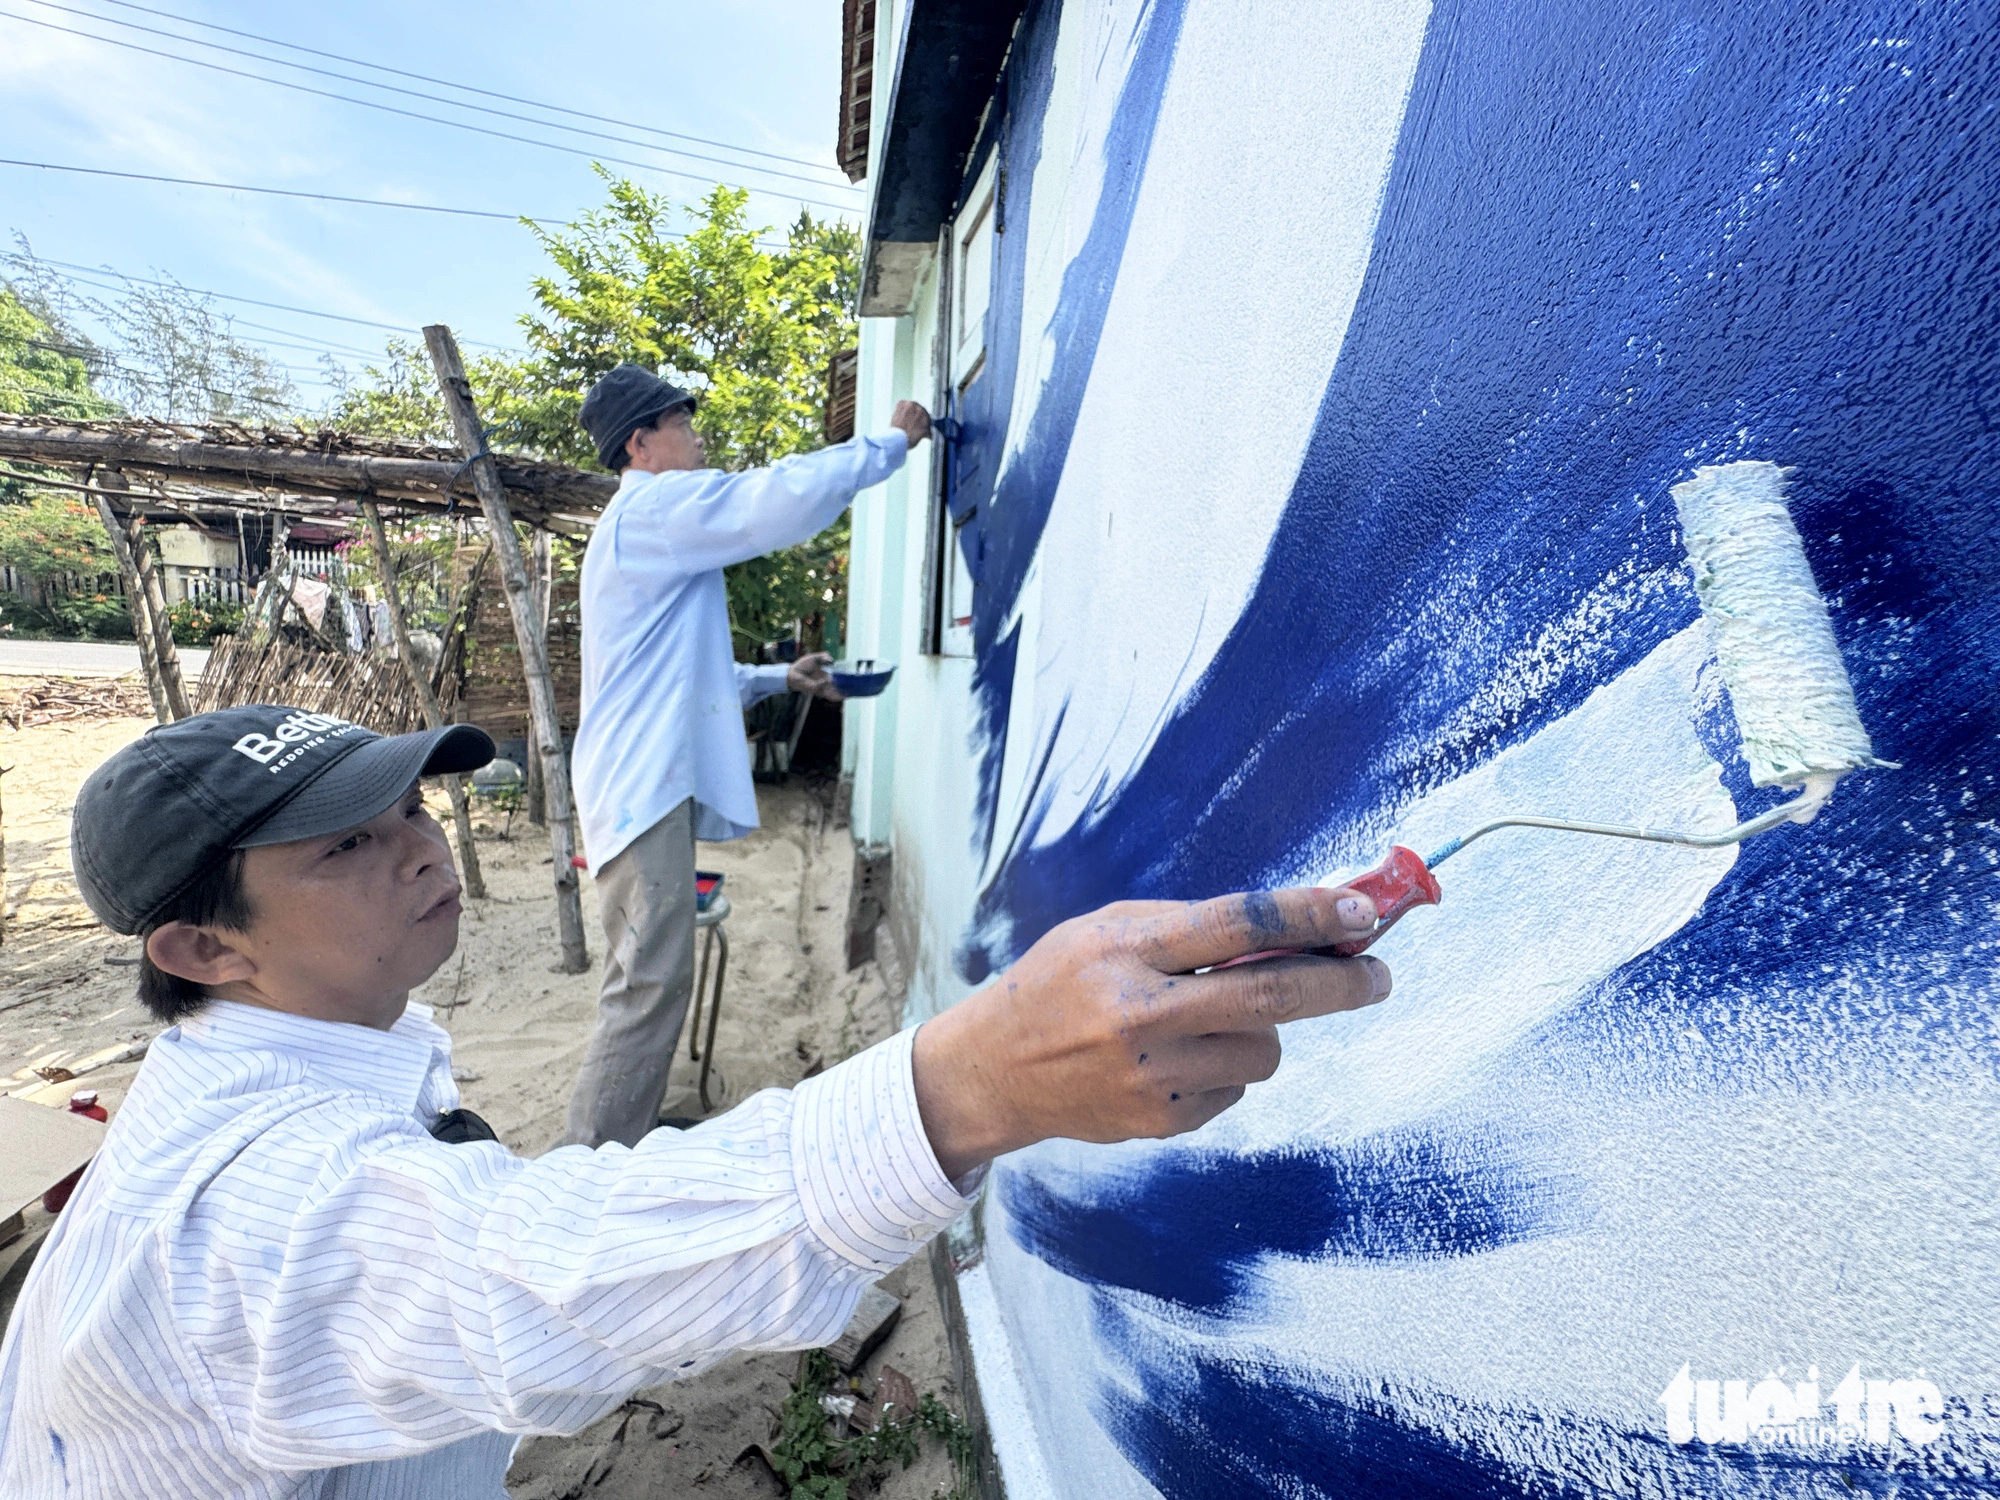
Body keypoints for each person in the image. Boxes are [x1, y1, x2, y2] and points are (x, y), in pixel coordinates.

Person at [0, 706, 1392, 1497]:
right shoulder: (241, 1206)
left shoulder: (295, 1048)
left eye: (414, 809)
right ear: (202, 949)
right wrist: (965, 1087)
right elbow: (522, 1281)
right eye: (349, 846)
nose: (420, 848)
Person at [563, 364, 934, 1148]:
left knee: (654, 978)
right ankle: (592, 1166)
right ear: (640, 441)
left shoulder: (641, 530)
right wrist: (889, 445)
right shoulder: (656, 507)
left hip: (637, 785)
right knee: (647, 984)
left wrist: (778, 676)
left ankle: (617, 1135)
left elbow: (682, 671)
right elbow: (774, 499)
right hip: (637, 789)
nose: (697, 437)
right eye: (682, 423)